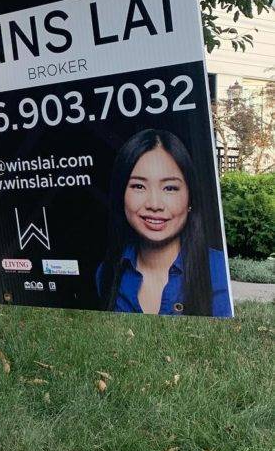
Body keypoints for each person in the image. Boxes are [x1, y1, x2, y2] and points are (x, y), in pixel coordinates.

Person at [97, 129, 231, 317]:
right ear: (121, 194)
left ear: (190, 198)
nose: (154, 204)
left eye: (170, 188)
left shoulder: (220, 273)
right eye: (138, 186)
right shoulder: (106, 273)